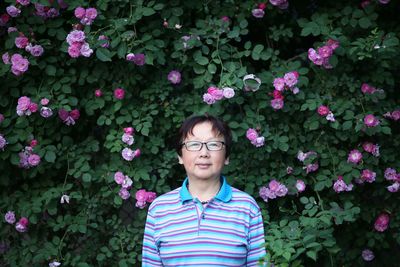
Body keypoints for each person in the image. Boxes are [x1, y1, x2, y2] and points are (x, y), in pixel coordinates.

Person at [141, 114, 267, 266]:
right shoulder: (159, 209)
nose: (204, 153)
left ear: (227, 157)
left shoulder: (247, 207)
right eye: (194, 144)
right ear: (180, 156)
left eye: (213, 144)